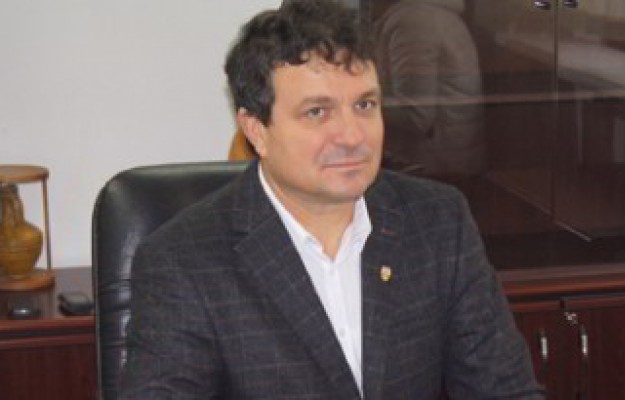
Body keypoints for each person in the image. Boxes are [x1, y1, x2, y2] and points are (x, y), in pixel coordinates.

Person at [119, 0, 543, 398]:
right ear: (256, 130)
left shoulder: (437, 221)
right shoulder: (184, 261)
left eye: (365, 105)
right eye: (317, 112)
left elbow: (506, 391)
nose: (353, 136)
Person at [374, 0, 486, 177]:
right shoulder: (429, 15)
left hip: (429, 165)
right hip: (446, 158)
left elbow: (415, 116)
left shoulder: (416, 22)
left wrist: (360, 102)